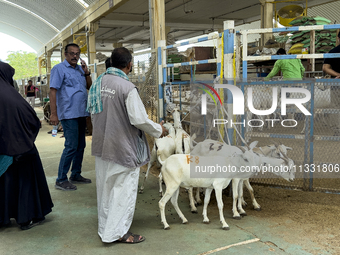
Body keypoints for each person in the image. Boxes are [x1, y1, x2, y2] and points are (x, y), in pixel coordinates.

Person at [87, 47, 168, 244]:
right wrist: (159, 129)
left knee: (106, 189)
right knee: (123, 191)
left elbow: (91, 113)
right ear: (130, 65)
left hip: (102, 146)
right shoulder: (126, 87)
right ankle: (119, 233)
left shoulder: (97, 84)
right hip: (122, 148)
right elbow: (139, 119)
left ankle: (105, 229)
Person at [0, 61, 54, 230]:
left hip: (3, 150)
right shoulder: (10, 94)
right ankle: (26, 217)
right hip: (20, 148)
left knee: (5, 184)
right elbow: (31, 119)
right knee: (26, 181)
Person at [49, 43, 92, 191]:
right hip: (69, 114)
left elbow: (89, 87)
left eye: (77, 53)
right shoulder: (58, 69)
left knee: (81, 146)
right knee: (71, 146)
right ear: (65, 55)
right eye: (72, 53)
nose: (75, 56)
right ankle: (61, 179)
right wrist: (54, 114)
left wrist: (87, 73)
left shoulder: (80, 69)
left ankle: (76, 174)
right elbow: (53, 91)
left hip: (81, 112)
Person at [322, 32, 340, 136]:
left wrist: (337, 74)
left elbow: (325, 68)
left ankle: (338, 131)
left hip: (336, 84)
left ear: (338, 38)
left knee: (336, 107)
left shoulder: (333, 52)